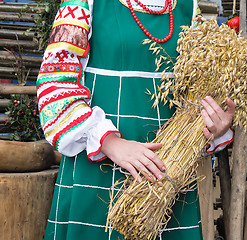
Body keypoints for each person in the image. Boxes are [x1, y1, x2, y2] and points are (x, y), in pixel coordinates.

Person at [37, 0, 235, 239]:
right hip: (98, 165)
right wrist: (110, 143)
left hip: (166, 172)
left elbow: (197, 92)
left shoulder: (189, 9)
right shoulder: (84, 4)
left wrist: (215, 126)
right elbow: (54, 85)